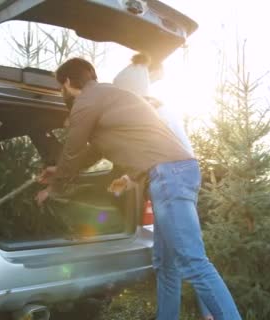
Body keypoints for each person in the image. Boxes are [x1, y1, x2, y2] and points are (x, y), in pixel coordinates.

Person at [36, 58, 241, 320]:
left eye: (60, 87)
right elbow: (91, 152)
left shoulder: (86, 101)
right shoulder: (110, 96)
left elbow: (73, 149)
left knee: (193, 263)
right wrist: (59, 171)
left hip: (168, 175)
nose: (61, 93)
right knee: (166, 266)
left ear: (66, 82)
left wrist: (53, 189)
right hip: (174, 173)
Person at [111, 53, 212, 320]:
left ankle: (212, 315)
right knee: (167, 265)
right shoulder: (156, 110)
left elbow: (161, 157)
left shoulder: (151, 113)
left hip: (172, 183)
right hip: (172, 182)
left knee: (192, 261)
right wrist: (130, 179)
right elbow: (151, 156)